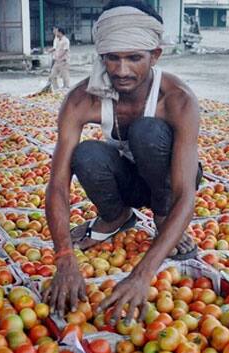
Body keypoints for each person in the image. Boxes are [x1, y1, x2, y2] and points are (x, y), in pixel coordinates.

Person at [44, 0, 202, 324]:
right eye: (112, 58)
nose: (121, 70)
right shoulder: (81, 99)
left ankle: (162, 216)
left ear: (155, 55)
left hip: (168, 182)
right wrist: (64, 258)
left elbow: (187, 193)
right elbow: (58, 184)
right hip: (131, 178)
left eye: (134, 58)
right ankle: (116, 217)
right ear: (101, 56)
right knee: (85, 154)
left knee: (146, 132)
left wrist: (142, 274)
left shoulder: (177, 100)